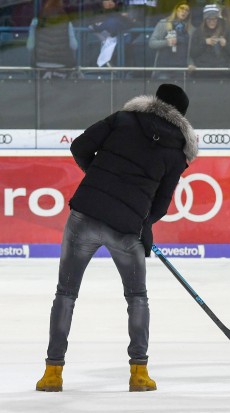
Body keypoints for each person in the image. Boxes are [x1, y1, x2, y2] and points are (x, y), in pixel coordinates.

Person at [35, 84, 198, 393]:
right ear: (181, 117)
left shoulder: (123, 119)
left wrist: (98, 179)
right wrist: (144, 223)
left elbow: (80, 146)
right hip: (126, 229)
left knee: (65, 294)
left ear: (155, 100)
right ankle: (139, 373)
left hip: (84, 216)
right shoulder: (176, 153)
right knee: (137, 298)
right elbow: (161, 204)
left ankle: (52, 374)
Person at [27, 0, 78, 78]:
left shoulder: (36, 21)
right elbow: (74, 45)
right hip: (62, 64)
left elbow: (30, 46)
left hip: (41, 64)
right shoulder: (67, 22)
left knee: (41, 88)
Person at [190, 4, 230, 77]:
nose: (212, 22)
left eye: (214, 19)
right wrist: (205, 42)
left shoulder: (227, 30)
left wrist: (226, 44)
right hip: (204, 73)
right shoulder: (198, 32)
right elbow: (193, 53)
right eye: (209, 19)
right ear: (205, 20)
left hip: (224, 72)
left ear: (218, 18)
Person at [149, 1, 195, 79]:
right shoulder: (164, 23)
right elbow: (152, 43)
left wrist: (191, 63)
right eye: (182, 8)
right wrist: (167, 42)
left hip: (181, 68)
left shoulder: (191, 29)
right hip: (164, 68)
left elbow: (190, 51)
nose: (184, 12)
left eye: (187, 10)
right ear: (176, 10)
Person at [89, 0, 135, 67]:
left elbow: (128, 22)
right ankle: (107, 62)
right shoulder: (97, 9)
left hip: (116, 34)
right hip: (99, 29)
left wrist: (127, 18)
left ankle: (113, 63)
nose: (110, 2)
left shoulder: (116, 12)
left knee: (127, 37)